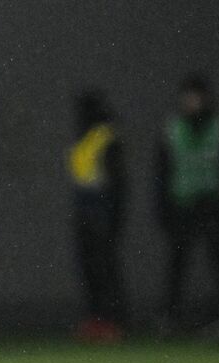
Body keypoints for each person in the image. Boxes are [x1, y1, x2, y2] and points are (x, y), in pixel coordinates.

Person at [156, 74, 219, 335]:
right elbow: (162, 170)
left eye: (196, 96)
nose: (191, 102)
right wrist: (163, 207)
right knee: (178, 263)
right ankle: (171, 316)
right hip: (183, 203)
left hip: (213, 203)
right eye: (188, 96)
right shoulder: (173, 128)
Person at [67, 91, 126, 343]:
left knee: (105, 271)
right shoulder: (83, 139)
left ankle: (114, 321)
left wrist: (114, 218)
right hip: (84, 213)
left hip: (102, 212)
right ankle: (95, 320)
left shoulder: (106, 138)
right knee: (89, 270)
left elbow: (118, 183)